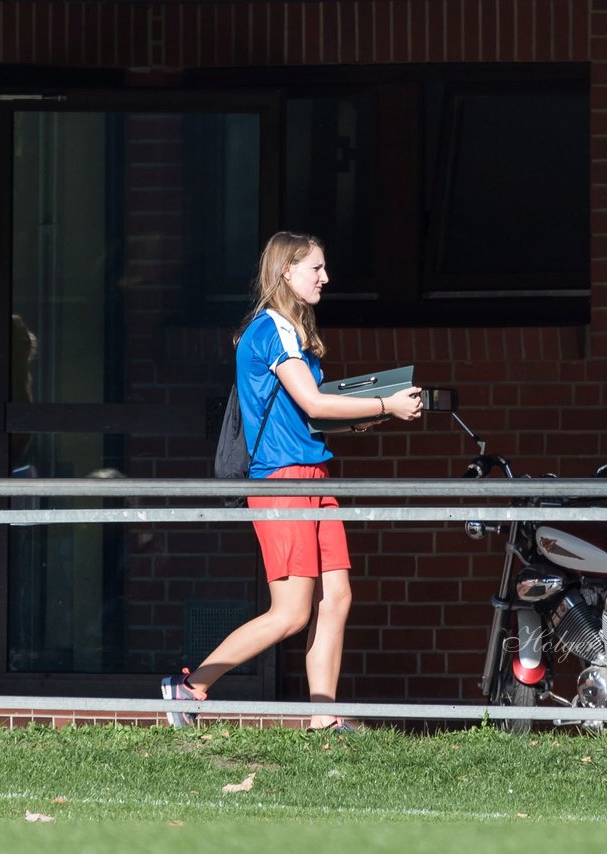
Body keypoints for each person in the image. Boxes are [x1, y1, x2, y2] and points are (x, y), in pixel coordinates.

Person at [161, 231, 422, 731]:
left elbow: (306, 414)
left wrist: (361, 416)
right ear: (286, 271)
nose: (325, 278)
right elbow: (314, 403)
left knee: (337, 597)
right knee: (291, 612)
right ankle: (190, 686)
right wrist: (386, 405)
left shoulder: (291, 331)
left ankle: (322, 716)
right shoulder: (272, 329)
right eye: (315, 269)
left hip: (311, 474)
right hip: (283, 480)